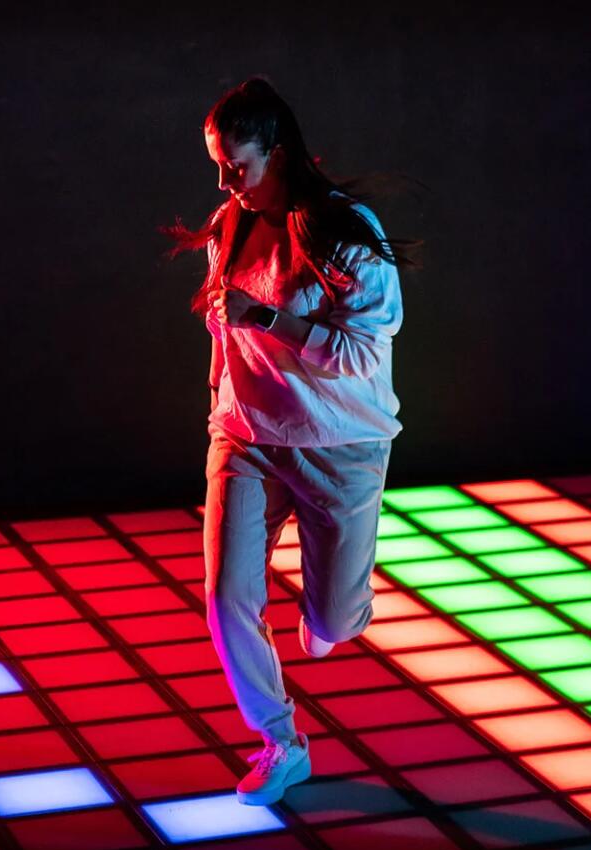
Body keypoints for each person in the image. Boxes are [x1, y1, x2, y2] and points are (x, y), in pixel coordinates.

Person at [165, 78, 415, 806]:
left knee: (333, 619)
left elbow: (362, 354)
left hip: (341, 443)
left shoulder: (345, 230)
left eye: (235, 166)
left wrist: (268, 318)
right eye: (218, 166)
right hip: (246, 439)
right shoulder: (230, 225)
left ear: (275, 153)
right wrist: (220, 404)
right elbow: (223, 333)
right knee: (225, 599)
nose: (225, 183)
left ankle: (337, 610)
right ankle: (281, 741)